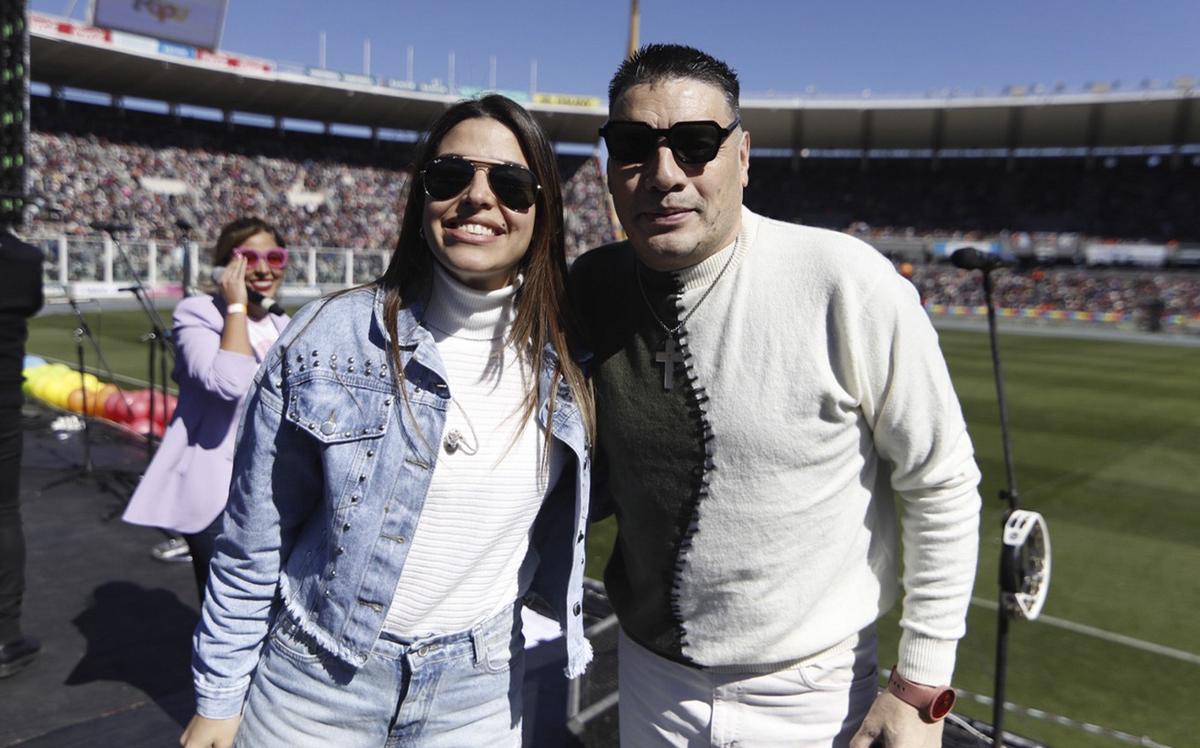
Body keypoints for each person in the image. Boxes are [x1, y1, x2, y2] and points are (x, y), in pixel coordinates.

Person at [571, 44, 982, 747]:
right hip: (647, 679)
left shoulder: (845, 280)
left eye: (696, 144)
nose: (664, 175)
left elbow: (940, 479)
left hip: (812, 696)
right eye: (634, 146)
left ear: (744, 155)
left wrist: (918, 688)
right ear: (609, 164)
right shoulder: (592, 287)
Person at [181, 95, 594, 748]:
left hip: (479, 690)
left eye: (511, 185)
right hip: (315, 681)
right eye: (451, 176)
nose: (478, 198)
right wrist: (219, 696)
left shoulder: (576, 350)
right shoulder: (327, 336)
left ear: (544, 212)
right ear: (421, 195)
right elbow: (253, 541)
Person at [123, 217, 290, 598]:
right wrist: (235, 308)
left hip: (275, 491)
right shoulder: (198, 314)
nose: (263, 268)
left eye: (274, 257)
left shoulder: (282, 322)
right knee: (226, 613)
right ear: (225, 265)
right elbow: (229, 384)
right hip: (220, 497)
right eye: (249, 257)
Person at [0, 230, 44, 679]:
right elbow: (29, 303)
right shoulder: (23, 257)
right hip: (4, 405)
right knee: (3, 513)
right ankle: (4, 635)